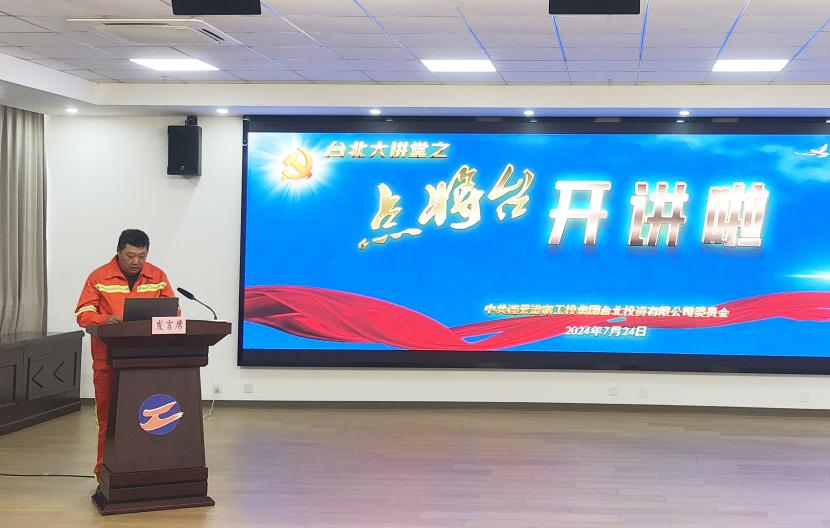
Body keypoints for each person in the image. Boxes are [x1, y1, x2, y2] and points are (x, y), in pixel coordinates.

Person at [74, 229, 175, 482]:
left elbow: (173, 312)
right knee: (108, 421)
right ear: (118, 252)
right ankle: (104, 477)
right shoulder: (99, 277)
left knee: (147, 420)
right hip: (108, 362)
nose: (136, 261)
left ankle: (143, 473)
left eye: (142, 256)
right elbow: (83, 315)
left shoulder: (158, 276)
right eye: (130, 256)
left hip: (147, 363)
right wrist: (105, 319)